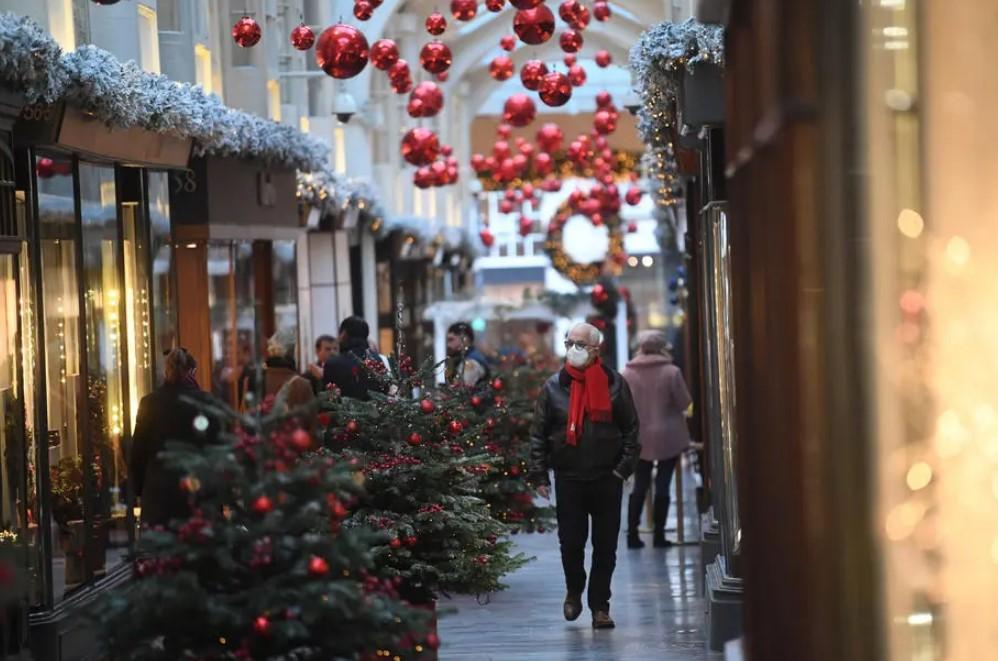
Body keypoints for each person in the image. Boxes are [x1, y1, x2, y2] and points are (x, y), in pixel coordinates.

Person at [529, 322, 640, 630]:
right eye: (569, 343)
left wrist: (622, 469)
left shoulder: (615, 384)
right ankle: (574, 589)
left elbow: (631, 429)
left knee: (606, 546)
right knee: (572, 544)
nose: (573, 349)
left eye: (580, 343)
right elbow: (538, 434)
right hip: (569, 478)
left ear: (595, 349)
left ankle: (600, 606)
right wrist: (539, 475)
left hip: (607, 477)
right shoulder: (553, 387)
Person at [621, 330, 693, 549]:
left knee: (639, 485)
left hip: (640, 437)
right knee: (663, 485)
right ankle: (660, 536)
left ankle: (632, 535)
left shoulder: (627, 373)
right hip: (668, 436)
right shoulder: (671, 372)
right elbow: (684, 402)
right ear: (663, 347)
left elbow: (622, 406)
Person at [130, 348, 217, 528]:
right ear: (193, 372)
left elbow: (137, 451)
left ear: (166, 371)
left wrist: (139, 489)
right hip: (197, 493)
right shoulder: (206, 403)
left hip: (159, 495)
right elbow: (217, 449)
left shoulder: (150, 403)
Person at [323, 316, 376, 400]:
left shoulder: (333, 364)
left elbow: (329, 400)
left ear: (344, 334)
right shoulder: (379, 361)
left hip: (344, 412)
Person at [445, 322, 490, 387]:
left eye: (451, 340)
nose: (448, 345)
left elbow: (459, 391)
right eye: (447, 340)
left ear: (465, 339)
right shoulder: (461, 359)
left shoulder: (471, 362)